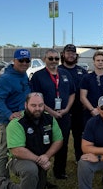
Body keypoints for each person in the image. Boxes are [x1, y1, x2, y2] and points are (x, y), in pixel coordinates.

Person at [0, 92, 63, 189]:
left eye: (40, 105)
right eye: (33, 105)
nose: (37, 108)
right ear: (26, 105)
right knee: (30, 170)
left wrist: (46, 156)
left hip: (40, 159)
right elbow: (17, 150)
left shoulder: (49, 119)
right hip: (19, 160)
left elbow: (58, 140)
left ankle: (2, 186)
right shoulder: (17, 123)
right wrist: (40, 160)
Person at [0, 49, 31, 189]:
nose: (24, 63)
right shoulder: (6, 78)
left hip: (23, 119)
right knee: (5, 150)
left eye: (27, 61)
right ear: (14, 61)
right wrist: (9, 115)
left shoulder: (23, 75)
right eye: (21, 60)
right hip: (8, 121)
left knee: (20, 147)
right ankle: (0, 182)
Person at [30, 49, 75, 180]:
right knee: (43, 143)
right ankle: (41, 173)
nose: (53, 61)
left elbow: (72, 93)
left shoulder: (65, 74)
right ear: (45, 59)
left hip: (64, 115)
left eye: (56, 58)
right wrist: (51, 111)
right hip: (45, 115)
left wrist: (66, 109)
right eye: (50, 58)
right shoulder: (38, 76)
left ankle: (60, 171)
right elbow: (35, 98)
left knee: (62, 142)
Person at [59, 44, 88, 162]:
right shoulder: (58, 70)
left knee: (79, 136)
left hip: (79, 110)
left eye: (73, 53)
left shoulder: (83, 71)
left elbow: (87, 90)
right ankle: (60, 164)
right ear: (63, 54)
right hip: (62, 110)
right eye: (68, 53)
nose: (70, 55)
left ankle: (79, 159)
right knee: (62, 138)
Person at [80, 51, 103, 127]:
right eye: (98, 60)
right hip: (90, 113)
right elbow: (82, 97)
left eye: (102, 60)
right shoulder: (86, 78)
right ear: (94, 62)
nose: (100, 62)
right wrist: (92, 110)